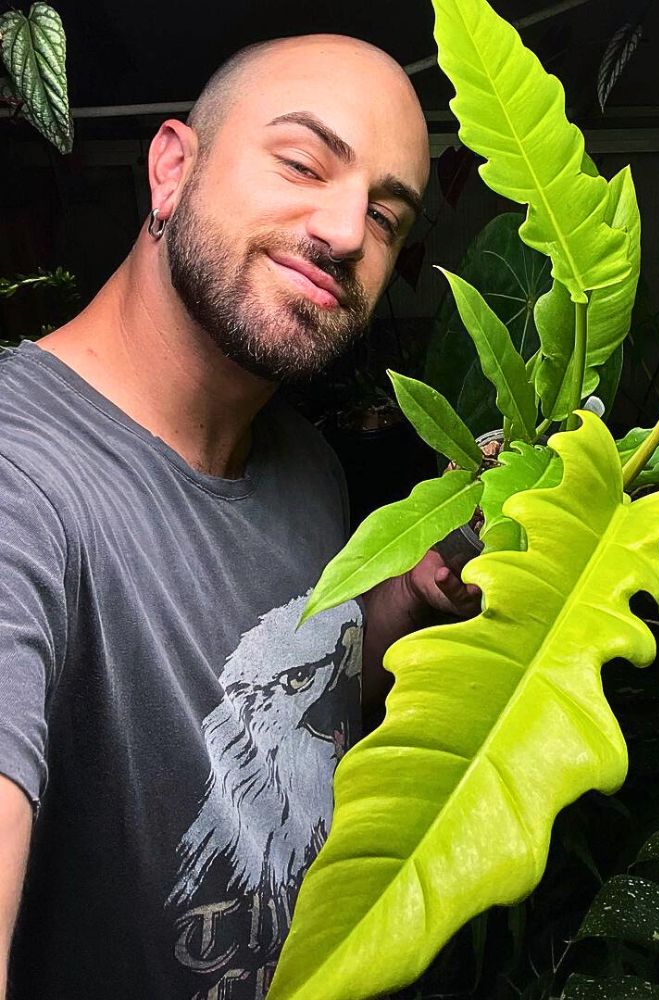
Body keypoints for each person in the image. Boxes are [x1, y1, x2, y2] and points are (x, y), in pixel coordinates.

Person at [0, 34, 478, 999]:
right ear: (172, 168)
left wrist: (404, 602)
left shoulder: (306, 467)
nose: (346, 232)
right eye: (303, 162)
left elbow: (291, 678)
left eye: (386, 216)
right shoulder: (21, 476)